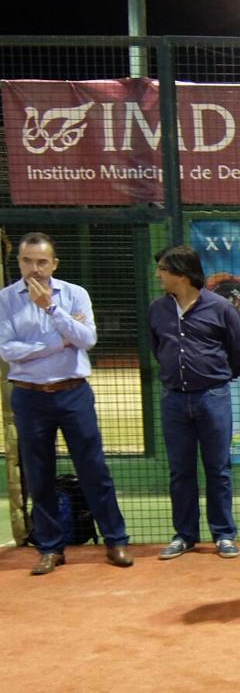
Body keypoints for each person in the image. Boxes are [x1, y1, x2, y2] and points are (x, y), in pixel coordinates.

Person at [0, 232, 132, 575]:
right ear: (19, 262)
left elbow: (87, 339)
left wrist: (53, 311)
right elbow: (6, 350)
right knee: (38, 474)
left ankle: (115, 540)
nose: (35, 269)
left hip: (74, 393)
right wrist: (57, 345)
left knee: (94, 469)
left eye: (42, 262)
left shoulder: (75, 295)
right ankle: (50, 549)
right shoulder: (5, 300)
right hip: (28, 396)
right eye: (28, 261)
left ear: (54, 264)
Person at [149, 246, 240, 560]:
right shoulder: (157, 309)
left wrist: (215, 378)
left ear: (181, 274)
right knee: (180, 471)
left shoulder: (221, 308)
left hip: (213, 397)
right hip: (173, 400)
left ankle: (223, 534)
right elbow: (157, 348)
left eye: (163, 269)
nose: (158, 275)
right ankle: (185, 535)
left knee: (218, 469)